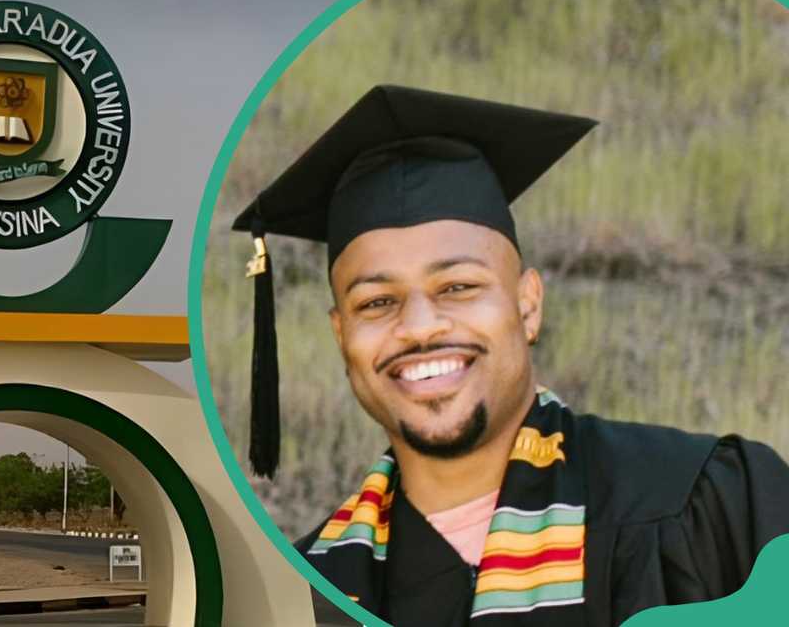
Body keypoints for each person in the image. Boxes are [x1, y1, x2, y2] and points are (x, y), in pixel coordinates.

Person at [231, 85, 789, 626]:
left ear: (528, 306)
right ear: (341, 333)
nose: (420, 328)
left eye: (458, 287)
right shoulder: (301, 591)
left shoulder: (708, 501)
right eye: (377, 302)